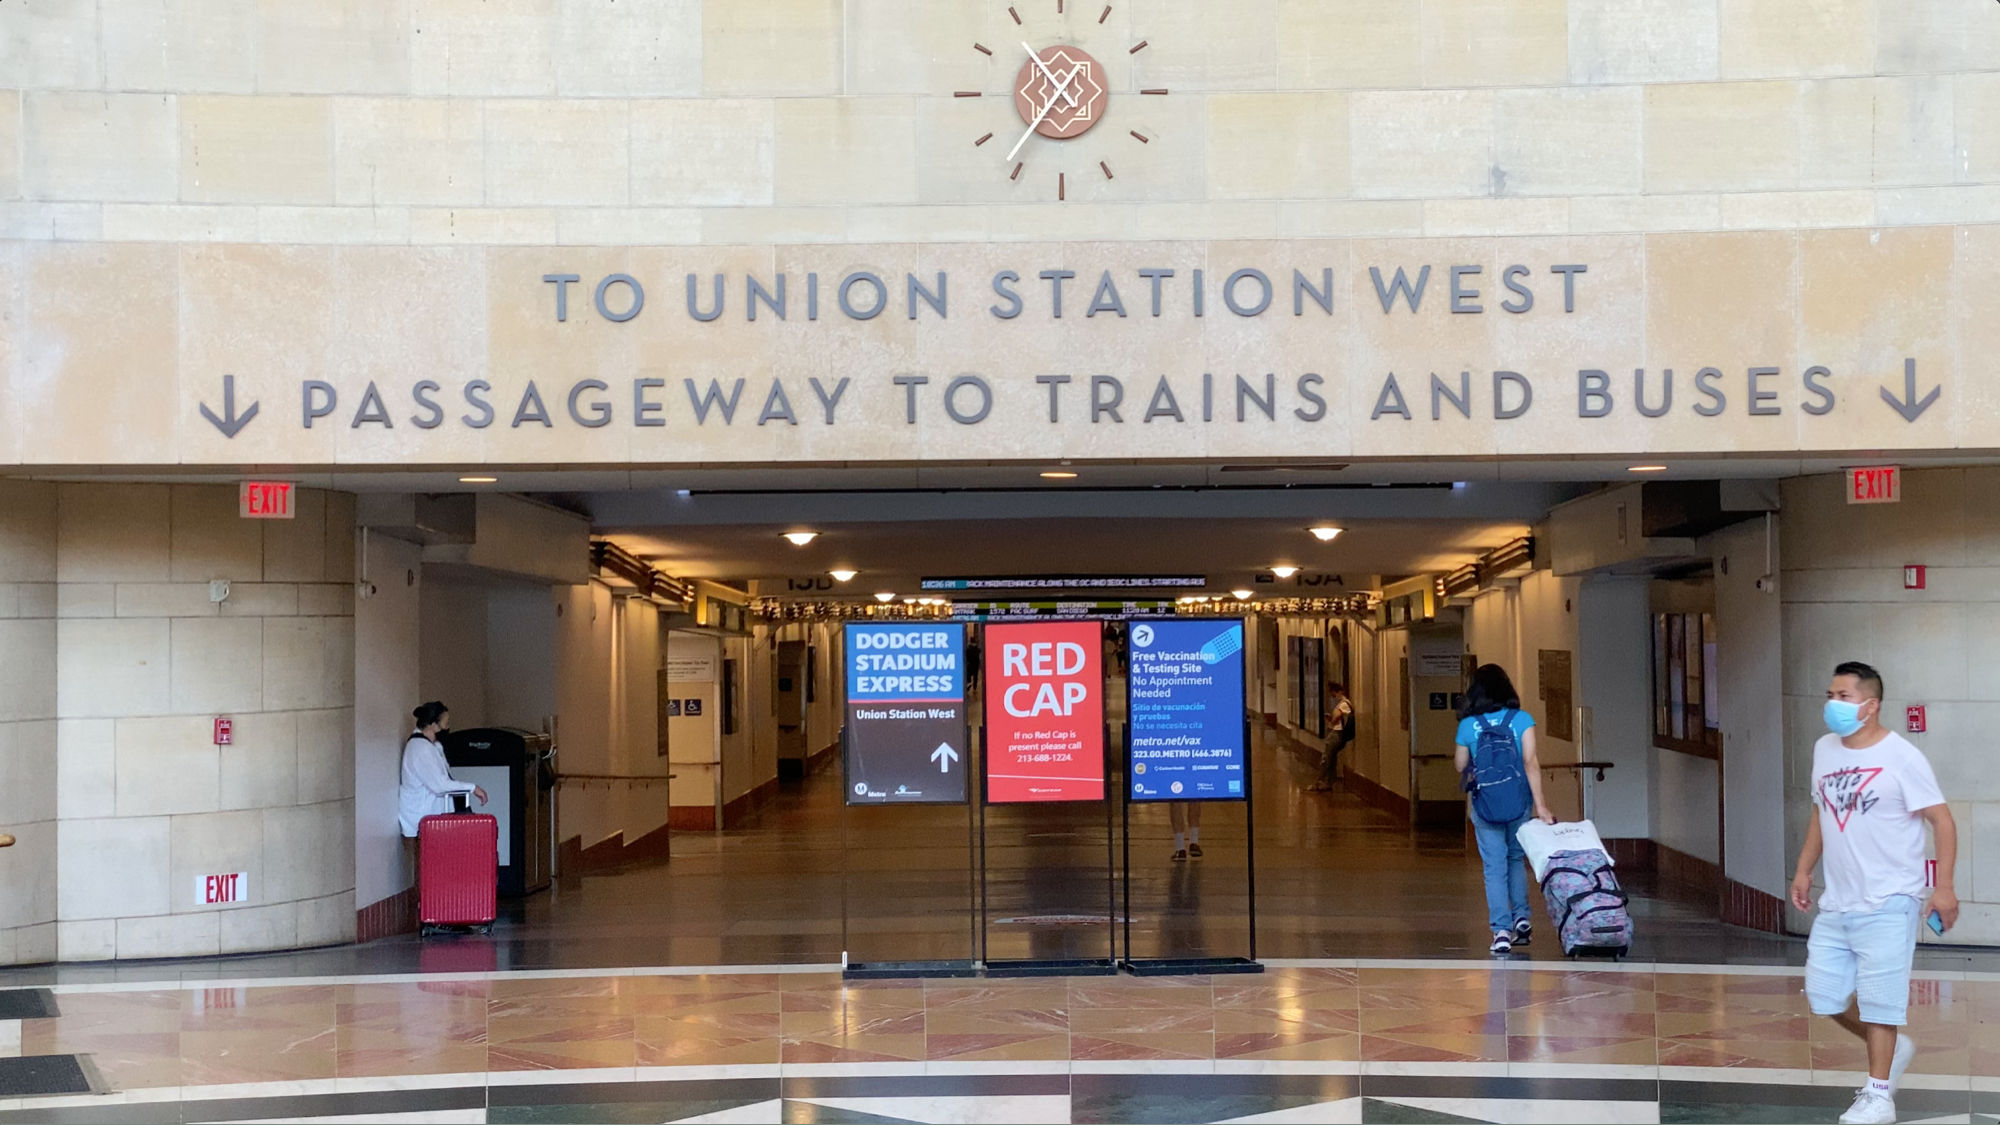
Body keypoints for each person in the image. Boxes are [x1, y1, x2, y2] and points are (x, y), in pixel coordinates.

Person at [1791, 662, 1958, 1125]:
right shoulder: (1824, 749)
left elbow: (1942, 820)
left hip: (1891, 898)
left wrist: (1943, 887)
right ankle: (1893, 1048)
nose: (1834, 704)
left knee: (1882, 998)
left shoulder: (1901, 757)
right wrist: (1804, 869)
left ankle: (1879, 1094)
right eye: (1831, 694)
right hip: (1839, 901)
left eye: (1843, 696)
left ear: (1871, 704)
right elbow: (1821, 812)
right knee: (1825, 995)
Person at [1453, 664, 1554, 955]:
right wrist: (1541, 806)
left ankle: (1501, 930)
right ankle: (1522, 916)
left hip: (1485, 806)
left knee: (1493, 868)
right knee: (1514, 859)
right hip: (1518, 803)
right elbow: (1530, 763)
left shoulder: (1468, 726)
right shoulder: (1522, 719)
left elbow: (1460, 766)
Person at [399, 701, 486, 841]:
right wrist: (472, 788)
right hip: (424, 817)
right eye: (445, 724)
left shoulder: (431, 746)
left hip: (431, 816)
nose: (448, 728)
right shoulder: (421, 749)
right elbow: (440, 785)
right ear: (433, 725)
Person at [1309, 683, 1355, 791]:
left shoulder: (1343, 704)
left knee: (1326, 758)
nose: (1333, 696)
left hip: (1337, 733)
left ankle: (1319, 781)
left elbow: (1337, 718)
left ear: (1338, 691)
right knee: (1331, 758)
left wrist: (1331, 720)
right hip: (1339, 733)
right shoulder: (1345, 704)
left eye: (1333, 693)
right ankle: (1328, 782)